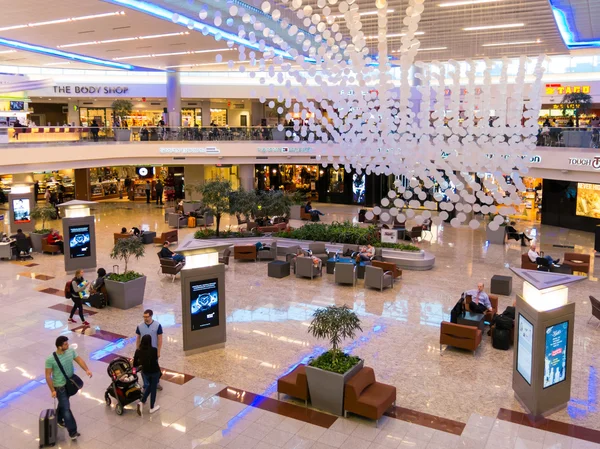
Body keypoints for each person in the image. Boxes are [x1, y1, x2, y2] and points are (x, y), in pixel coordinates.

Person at [45, 336, 92, 441]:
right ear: (59, 347)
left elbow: (79, 360)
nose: (68, 345)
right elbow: (48, 376)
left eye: (67, 343)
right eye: (65, 344)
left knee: (63, 403)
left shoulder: (70, 351)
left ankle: (58, 419)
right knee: (66, 408)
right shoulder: (50, 359)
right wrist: (52, 390)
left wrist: (87, 370)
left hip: (69, 383)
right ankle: (73, 432)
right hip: (60, 386)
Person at [135, 309, 163, 391]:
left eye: (147, 317)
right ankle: (146, 383)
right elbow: (138, 338)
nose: (145, 318)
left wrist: (158, 351)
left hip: (153, 350)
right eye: (144, 317)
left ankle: (156, 383)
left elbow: (160, 339)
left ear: (151, 316)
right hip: (143, 351)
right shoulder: (140, 326)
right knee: (144, 367)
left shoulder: (157, 325)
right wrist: (137, 350)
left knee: (155, 367)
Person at [133, 334, 161, 416]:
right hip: (154, 372)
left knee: (149, 386)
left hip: (145, 372)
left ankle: (142, 402)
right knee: (153, 389)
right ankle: (152, 407)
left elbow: (135, 363)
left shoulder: (138, 351)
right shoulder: (154, 350)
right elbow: (155, 360)